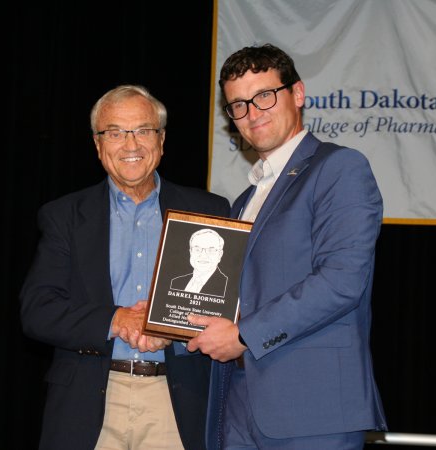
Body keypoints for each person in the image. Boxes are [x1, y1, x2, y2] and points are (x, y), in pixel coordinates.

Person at [187, 43, 388, 449]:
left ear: (297, 94)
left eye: (264, 96)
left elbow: (341, 281)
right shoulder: (245, 200)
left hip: (312, 407)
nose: (252, 113)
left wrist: (243, 334)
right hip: (239, 401)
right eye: (238, 105)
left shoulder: (339, 168)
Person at [20, 84, 230, 450]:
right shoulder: (65, 216)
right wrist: (116, 320)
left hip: (177, 401)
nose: (131, 145)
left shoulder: (208, 211)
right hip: (88, 403)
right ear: (99, 145)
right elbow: (38, 311)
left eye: (143, 130)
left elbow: (228, 309)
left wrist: (177, 330)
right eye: (115, 132)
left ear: (161, 141)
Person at [170, 228, 228, 297]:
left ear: (220, 255)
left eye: (210, 250)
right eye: (197, 249)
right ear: (190, 252)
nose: (203, 255)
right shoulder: (176, 283)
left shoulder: (227, 286)